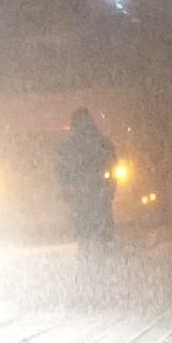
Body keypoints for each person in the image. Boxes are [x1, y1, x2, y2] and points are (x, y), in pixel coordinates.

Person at [53, 107, 118, 250]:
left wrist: (68, 189)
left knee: (85, 233)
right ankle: (103, 256)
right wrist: (109, 189)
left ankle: (88, 258)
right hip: (99, 193)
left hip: (81, 195)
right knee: (101, 231)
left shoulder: (69, 144)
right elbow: (112, 165)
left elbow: (62, 170)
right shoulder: (100, 141)